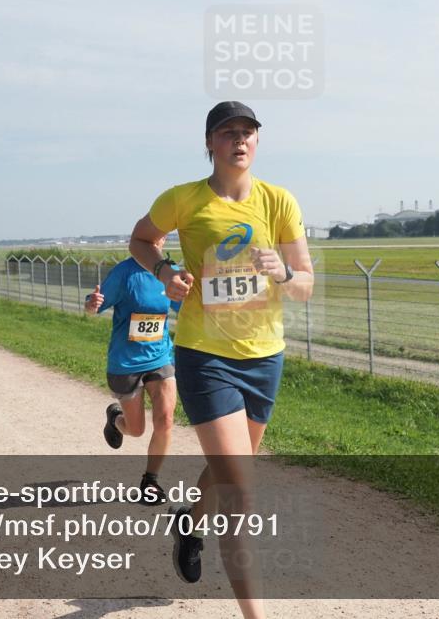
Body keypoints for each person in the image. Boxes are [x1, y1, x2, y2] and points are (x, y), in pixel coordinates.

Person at [129, 101, 313, 618]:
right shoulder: (183, 199)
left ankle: (188, 520)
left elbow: (306, 286)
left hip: (263, 357)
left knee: (231, 471)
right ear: (209, 143)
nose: (240, 140)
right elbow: (141, 238)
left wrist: (282, 274)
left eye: (249, 132)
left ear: (258, 142)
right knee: (240, 490)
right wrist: (165, 271)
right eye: (228, 132)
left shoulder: (279, 203)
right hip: (204, 356)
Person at [84, 253, 180, 504]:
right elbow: (95, 304)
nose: (157, 243)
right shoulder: (125, 272)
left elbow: (186, 305)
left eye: (161, 237)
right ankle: (116, 419)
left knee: (166, 419)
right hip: (126, 363)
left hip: (161, 357)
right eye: (152, 236)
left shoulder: (171, 272)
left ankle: (151, 480)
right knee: (136, 430)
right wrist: (91, 304)